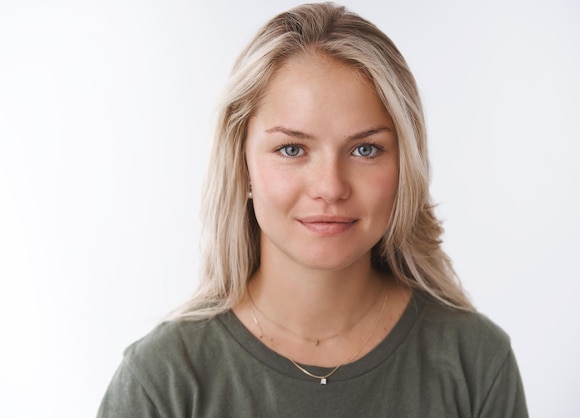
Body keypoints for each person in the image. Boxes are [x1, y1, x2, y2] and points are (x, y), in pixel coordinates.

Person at [97, 3, 528, 417]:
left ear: (405, 165)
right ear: (241, 163)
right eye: (291, 148)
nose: (330, 187)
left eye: (365, 149)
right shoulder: (161, 382)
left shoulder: (476, 363)